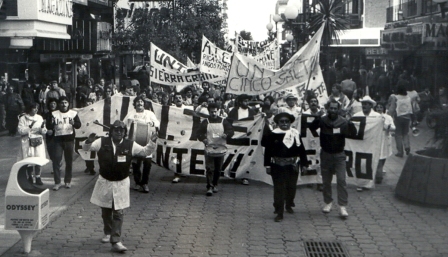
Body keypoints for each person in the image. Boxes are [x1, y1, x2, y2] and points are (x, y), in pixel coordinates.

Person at [82, 120, 158, 253]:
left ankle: (116, 241)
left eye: (121, 130)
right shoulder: (101, 142)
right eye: (116, 130)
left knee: (118, 212)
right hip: (104, 181)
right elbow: (86, 149)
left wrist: (152, 142)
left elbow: (145, 152)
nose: (118, 132)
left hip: (121, 183)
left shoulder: (130, 144)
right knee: (106, 210)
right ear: (111, 131)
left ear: (125, 132)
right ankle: (108, 231)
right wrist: (88, 141)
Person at [309, 99, 357, 218]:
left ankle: (342, 206)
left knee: (341, 180)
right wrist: (317, 118)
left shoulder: (343, 122)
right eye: (331, 108)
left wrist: (351, 124)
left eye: (335, 108)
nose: (333, 111)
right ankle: (328, 202)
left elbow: (353, 134)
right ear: (327, 108)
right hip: (326, 154)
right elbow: (311, 127)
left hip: (339, 155)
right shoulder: (323, 120)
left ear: (339, 109)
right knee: (326, 181)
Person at [261, 112, 308, 222]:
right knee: (279, 188)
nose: (284, 124)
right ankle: (279, 211)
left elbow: (301, 150)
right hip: (277, 165)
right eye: (282, 122)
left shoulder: (295, 133)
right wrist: (267, 165)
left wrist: (304, 165)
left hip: (292, 165)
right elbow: (267, 151)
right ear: (277, 123)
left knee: (291, 187)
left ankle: (289, 203)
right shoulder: (272, 134)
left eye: (287, 121)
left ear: (290, 122)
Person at [196, 103, 234, 196]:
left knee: (218, 168)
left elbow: (231, 131)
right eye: (212, 112)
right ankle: (209, 187)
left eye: (215, 111)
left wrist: (227, 134)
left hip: (221, 148)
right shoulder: (205, 122)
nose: (214, 113)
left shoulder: (223, 121)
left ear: (218, 111)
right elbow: (198, 133)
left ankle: (215, 184)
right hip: (209, 148)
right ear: (209, 111)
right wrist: (203, 139)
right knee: (209, 168)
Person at [123, 96, 160, 193]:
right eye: (137, 102)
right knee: (136, 163)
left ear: (144, 104)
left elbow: (157, 123)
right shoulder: (130, 114)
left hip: (147, 141)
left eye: (141, 102)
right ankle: (137, 182)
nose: (139, 103)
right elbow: (123, 125)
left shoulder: (149, 113)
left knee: (147, 163)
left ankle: (145, 183)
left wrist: (152, 123)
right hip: (134, 142)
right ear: (134, 104)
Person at [46, 96, 82, 190]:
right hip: (57, 140)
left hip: (69, 140)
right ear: (59, 104)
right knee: (56, 161)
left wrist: (74, 123)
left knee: (69, 161)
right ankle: (57, 182)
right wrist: (52, 123)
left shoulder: (73, 113)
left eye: (65, 102)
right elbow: (48, 126)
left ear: (68, 104)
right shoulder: (54, 114)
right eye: (62, 103)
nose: (64, 104)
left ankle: (67, 181)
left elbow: (78, 125)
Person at [227, 94, 256, 185]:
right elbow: (228, 122)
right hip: (235, 137)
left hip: (246, 137)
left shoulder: (251, 111)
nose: (246, 103)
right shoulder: (234, 111)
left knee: (244, 157)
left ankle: (243, 176)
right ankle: (232, 173)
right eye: (245, 101)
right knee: (233, 156)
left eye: (247, 101)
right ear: (240, 102)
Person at [17, 103, 47, 185]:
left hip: (38, 141)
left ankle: (38, 177)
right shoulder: (23, 118)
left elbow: (44, 130)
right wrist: (29, 127)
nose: (36, 110)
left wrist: (42, 129)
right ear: (29, 109)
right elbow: (20, 131)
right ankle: (29, 177)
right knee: (28, 160)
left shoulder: (39, 117)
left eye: (37, 108)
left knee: (38, 159)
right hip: (27, 141)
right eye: (34, 108)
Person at [387, 84, 412, 157]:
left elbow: (392, 108)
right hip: (407, 117)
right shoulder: (408, 97)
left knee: (398, 134)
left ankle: (400, 151)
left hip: (398, 117)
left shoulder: (395, 97)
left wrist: (389, 117)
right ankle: (407, 146)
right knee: (405, 133)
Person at [373, 102, 395, 184]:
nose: (379, 109)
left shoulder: (388, 117)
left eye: (381, 107)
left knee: (383, 156)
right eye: (377, 107)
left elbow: (393, 127)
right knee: (378, 157)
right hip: (375, 139)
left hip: (385, 139)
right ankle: (378, 175)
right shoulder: (372, 116)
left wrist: (387, 126)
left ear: (383, 108)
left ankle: (380, 170)